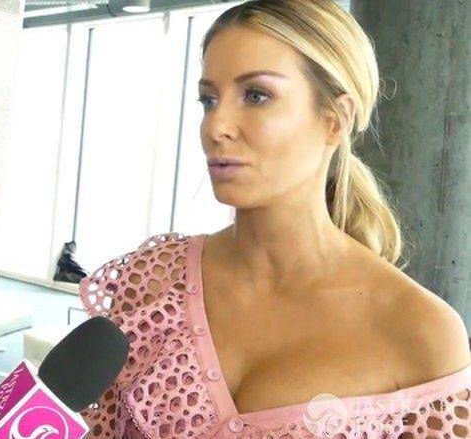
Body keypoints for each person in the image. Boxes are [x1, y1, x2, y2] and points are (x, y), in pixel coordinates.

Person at [79, 0, 471, 437]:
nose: (216, 126)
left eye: (256, 95)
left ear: (336, 120)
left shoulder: (421, 332)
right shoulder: (152, 284)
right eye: (209, 100)